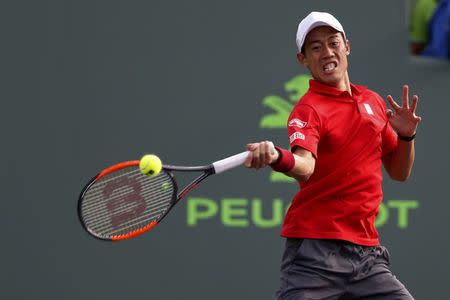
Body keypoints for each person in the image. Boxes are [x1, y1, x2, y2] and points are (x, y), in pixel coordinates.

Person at [244, 12, 421, 300]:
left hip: (367, 257)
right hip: (314, 256)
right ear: (303, 60)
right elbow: (304, 166)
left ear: (346, 46)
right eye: (315, 47)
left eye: (332, 42)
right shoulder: (308, 109)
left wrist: (406, 137)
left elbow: (400, 173)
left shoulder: (373, 102)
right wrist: (277, 156)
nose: (326, 52)